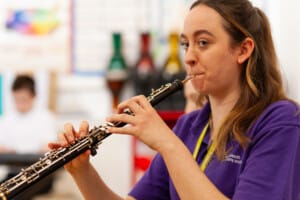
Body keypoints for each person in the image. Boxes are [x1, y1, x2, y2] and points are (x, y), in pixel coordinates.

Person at [49, 0, 300, 199]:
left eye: (203, 42)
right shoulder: (189, 126)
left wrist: (168, 144)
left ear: (243, 50)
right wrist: (81, 171)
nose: (189, 57)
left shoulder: (280, 122)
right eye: (185, 44)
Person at [0, 74, 57, 199]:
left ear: (33, 96)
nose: (19, 104)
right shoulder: (6, 119)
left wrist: (17, 152)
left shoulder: (46, 118)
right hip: (14, 174)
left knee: (16, 192)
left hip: (41, 175)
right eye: (16, 100)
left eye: (23, 100)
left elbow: (49, 149)